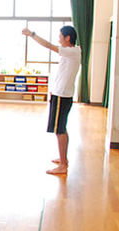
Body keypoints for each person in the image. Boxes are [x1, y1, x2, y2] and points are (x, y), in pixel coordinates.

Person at [22, 26, 81, 175]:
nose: (58, 38)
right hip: (59, 94)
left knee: (59, 130)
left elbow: (49, 45)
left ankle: (63, 165)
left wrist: (32, 34)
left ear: (68, 38)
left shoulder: (72, 51)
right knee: (61, 127)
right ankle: (63, 160)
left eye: (60, 36)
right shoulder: (71, 52)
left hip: (62, 95)